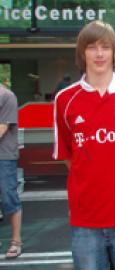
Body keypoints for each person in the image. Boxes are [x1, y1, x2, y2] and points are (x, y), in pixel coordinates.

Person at [53, 20, 115, 270]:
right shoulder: (65, 99)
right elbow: (68, 156)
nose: (99, 54)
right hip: (86, 219)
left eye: (105, 46)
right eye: (92, 47)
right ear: (82, 53)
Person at [0, 83, 23, 259]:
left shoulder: (7, 96)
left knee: (9, 197)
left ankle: (16, 241)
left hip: (4, 156)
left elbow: (2, 128)